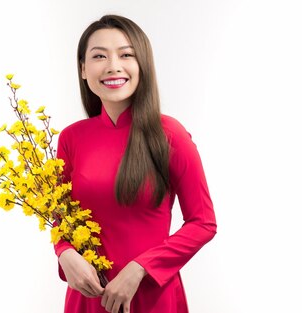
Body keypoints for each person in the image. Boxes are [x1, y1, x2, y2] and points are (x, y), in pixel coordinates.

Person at [54, 14, 217, 313]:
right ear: (83, 69)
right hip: (89, 297)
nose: (113, 65)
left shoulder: (170, 135)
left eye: (126, 54)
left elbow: (203, 223)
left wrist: (140, 268)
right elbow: (60, 215)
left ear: (142, 64)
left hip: (152, 295)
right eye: (99, 56)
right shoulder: (70, 139)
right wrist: (64, 252)